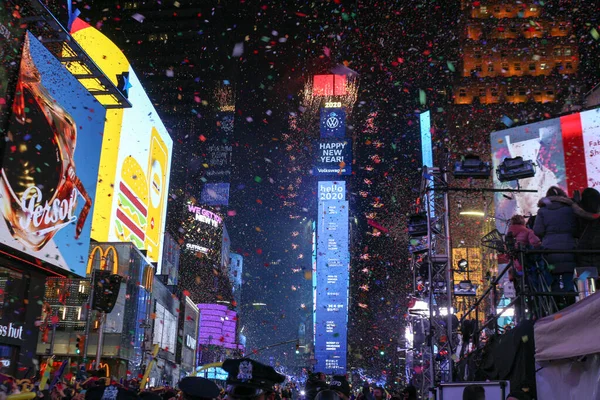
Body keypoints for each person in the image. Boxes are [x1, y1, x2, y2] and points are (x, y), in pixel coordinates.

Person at [533, 186, 598, 307]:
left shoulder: (542, 211)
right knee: (568, 276)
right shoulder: (569, 209)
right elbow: (576, 228)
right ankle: (570, 302)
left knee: (553, 277)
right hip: (568, 248)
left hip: (550, 251)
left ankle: (557, 304)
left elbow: (538, 230)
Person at [577, 187, 600, 271]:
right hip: (596, 254)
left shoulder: (578, 215)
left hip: (584, 258)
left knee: (585, 281)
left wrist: (576, 204)